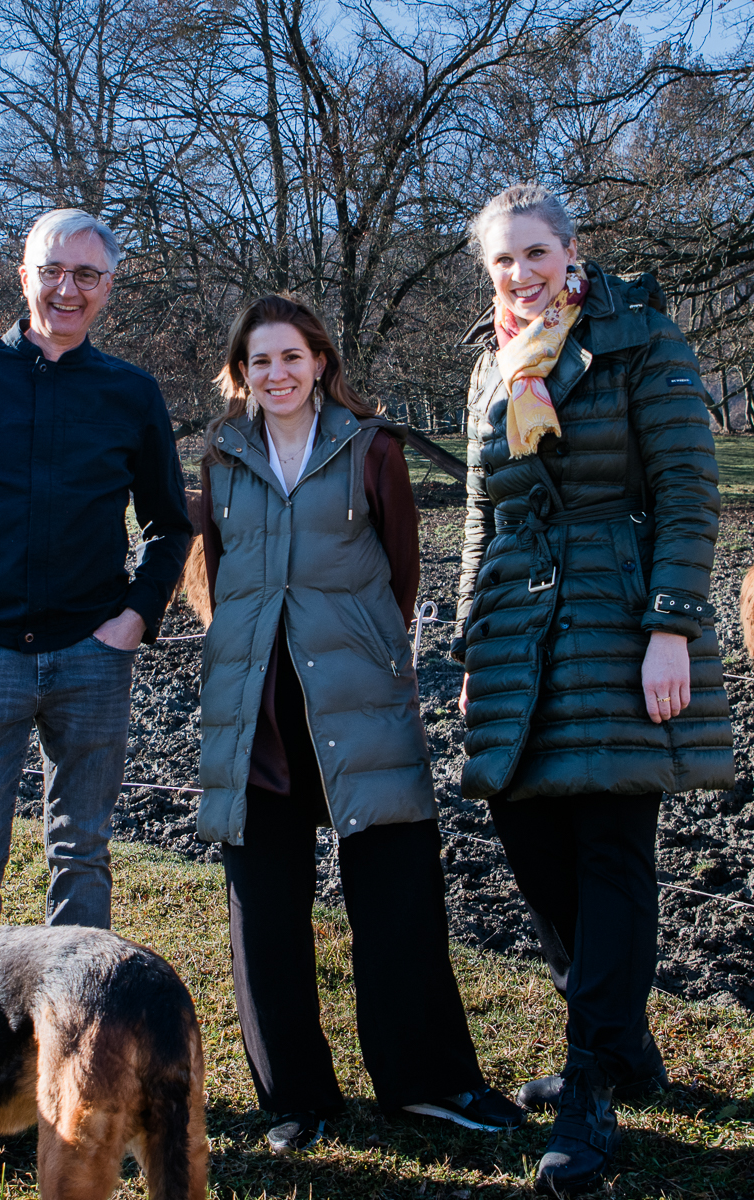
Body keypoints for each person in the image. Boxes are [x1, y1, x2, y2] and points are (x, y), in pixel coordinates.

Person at [451, 185, 734, 1195]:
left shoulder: (642, 341)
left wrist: (671, 626)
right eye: (502, 263)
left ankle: (588, 1089)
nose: (521, 277)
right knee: (532, 847)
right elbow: (483, 519)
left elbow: (690, 490)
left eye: (536, 255)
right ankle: (623, 1048)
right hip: (521, 643)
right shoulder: (491, 368)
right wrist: (471, 641)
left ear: (573, 253)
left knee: (612, 849)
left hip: (620, 627)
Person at [196, 294, 525, 1155]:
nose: (277, 374)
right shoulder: (221, 458)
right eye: (260, 361)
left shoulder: (372, 448)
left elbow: (403, 574)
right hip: (255, 715)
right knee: (263, 911)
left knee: (397, 895)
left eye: (292, 357)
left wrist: (369, 657)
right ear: (242, 372)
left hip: (358, 702)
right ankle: (296, 1098)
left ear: (320, 362)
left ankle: (428, 1082)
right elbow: (222, 572)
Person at [0, 210, 191, 927]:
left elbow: (170, 522)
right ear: (24, 277)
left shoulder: (131, 393)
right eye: (52, 270)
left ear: (109, 287)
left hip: (92, 657)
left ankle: (78, 1034)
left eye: (86, 274)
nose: (67, 289)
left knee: (83, 855)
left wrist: (134, 620)